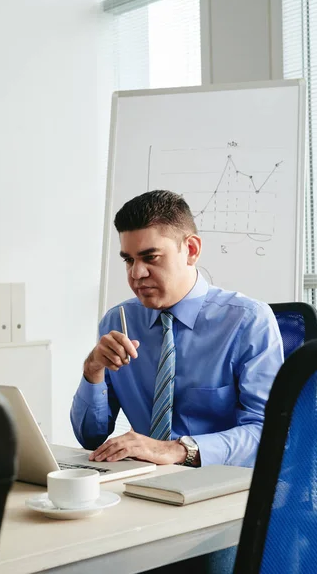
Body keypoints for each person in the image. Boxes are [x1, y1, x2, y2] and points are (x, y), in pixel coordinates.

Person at [71, 189, 283, 572]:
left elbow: (267, 433)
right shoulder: (118, 321)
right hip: (141, 493)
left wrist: (177, 450)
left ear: (191, 249)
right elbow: (89, 436)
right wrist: (93, 372)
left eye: (150, 257)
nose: (136, 274)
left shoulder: (248, 320)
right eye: (128, 260)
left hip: (224, 501)